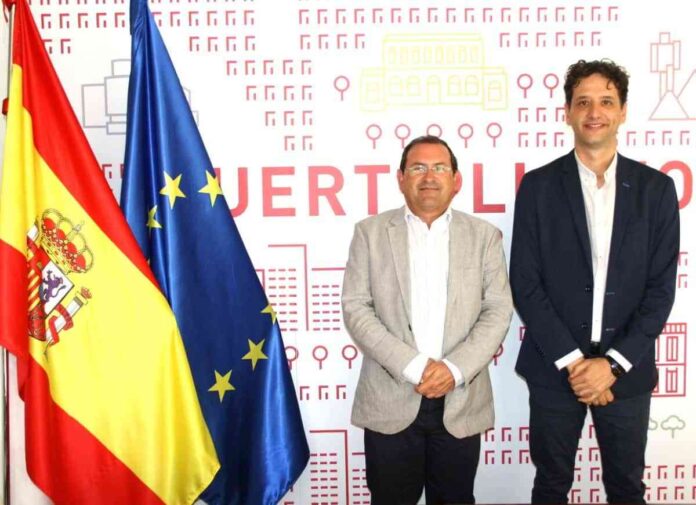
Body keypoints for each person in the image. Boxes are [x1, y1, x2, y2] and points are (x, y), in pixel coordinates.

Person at [511, 59, 680, 504]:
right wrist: (576, 365)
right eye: (583, 102)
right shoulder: (538, 187)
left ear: (623, 111)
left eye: (606, 101)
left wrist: (611, 366)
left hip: (626, 372)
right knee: (550, 486)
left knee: (627, 489)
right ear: (567, 112)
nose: (594, 112)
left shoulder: (656, 190)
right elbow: (525, 283)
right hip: (554, 370)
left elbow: (661, 290)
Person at [342, 135, 513, 505]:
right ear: (401, 178)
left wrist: (452, 369)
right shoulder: (370, 233)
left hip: (460, 399)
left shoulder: (484, 236)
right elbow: (356, 307)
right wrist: (415, 366)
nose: (429, 176)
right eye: (418, 168)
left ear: (456, 179)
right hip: (390, 398)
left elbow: (498, 310)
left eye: (439, 168)